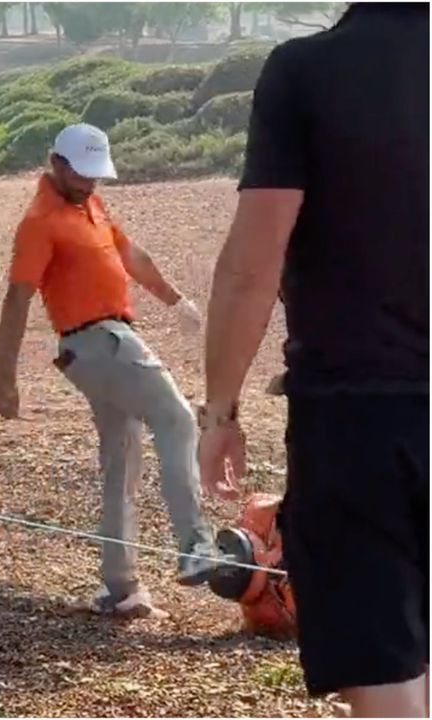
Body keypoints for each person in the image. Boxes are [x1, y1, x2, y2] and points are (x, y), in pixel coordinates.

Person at [199, 5, 428, 716]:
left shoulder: (310, 70)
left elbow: (251, 264)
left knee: (386, 663)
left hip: (359, 417)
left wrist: (220, 409)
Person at [0, 123, 221, 617]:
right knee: (177, 419)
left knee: (122, 458)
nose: (93, 182)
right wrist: (5, 379)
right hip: (99, 341)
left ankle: (120, 587)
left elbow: (130, 253)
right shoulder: (40, 221)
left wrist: (174, 298)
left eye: (98, 174)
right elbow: (17, 298)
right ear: (57, 163)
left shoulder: (89, 205)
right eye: (84, 173)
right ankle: (196, 545)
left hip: (98, 346)